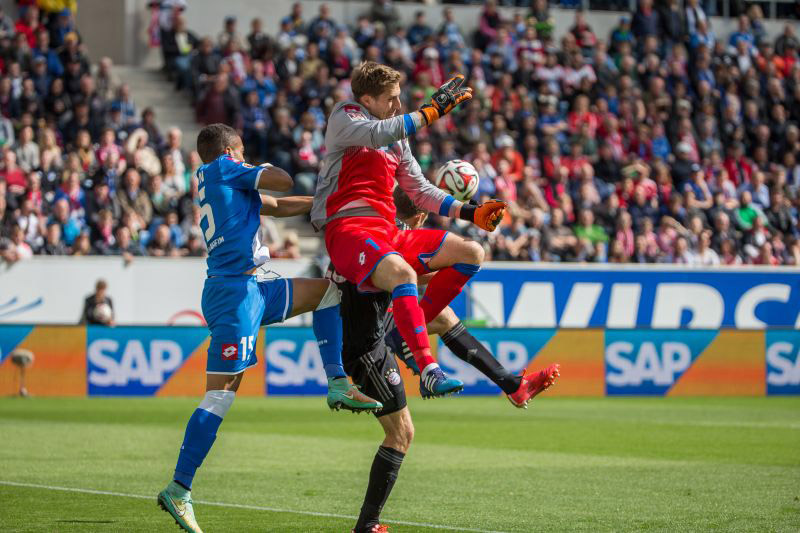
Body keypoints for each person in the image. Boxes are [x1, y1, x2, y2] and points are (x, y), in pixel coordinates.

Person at [157, 124, 381, 533]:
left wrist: (327, 202)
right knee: (219, 396)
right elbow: (281, 178)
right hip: (235, 295)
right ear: (230, 152)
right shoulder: (227, 168)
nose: (242, 159)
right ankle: (179, 488)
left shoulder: (219, 180)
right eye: (240, 153)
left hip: (252, 288)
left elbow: (276, 205)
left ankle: (337, 382)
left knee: (328, 293)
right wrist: (255, 164)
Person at [327, 189, 558, 533]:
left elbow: (403, 274)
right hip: (364, 344)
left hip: (374, 322)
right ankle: (366, 525)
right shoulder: (382, 239)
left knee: (443, 316)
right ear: (418, 217)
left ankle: (513, 385)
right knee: (401, 433)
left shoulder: (370, 233)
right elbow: (400, 274)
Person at [311, 62, 507, 398]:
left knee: (471, 252)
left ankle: (405, 331)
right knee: (403, 274)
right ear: (367, 100)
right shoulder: (345, 116)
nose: (397, 106)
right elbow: (376, 134)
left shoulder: (396, 139)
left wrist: (468, 212)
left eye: (400, 99)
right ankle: (429, 367)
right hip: (348, 229)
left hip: (387, 230)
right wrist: (430, 112)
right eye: (390, 99)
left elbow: (418, 190)